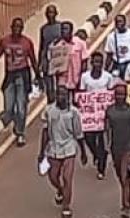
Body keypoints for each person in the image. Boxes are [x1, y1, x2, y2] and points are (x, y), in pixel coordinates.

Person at [0, 17, 37, 146]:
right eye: (15, 27)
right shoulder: (4, 42)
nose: (17, 29)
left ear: (22, 28)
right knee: (8, 109)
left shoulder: (27, 43)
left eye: (19, 27)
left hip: (22, 76)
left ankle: (20, 132)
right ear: (11, 27)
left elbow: (33, 60)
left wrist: (38, 76)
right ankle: (16, 124)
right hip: (10, 77)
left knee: (21, 108)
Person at [40, 88, 86, 218]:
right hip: (53, 147)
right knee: (53, 176)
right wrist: (41, 152)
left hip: (69, 148)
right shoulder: (49, 111)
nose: (61, 97)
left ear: (68, 96)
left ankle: (66, 206)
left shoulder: (74, 113)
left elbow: (78, 133)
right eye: (59, 94)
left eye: (64, 95)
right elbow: (45, 132)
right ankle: (60, 190)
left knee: (67, 178)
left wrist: (83, 152)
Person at [105, 83, 130, 216]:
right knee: (121, 177)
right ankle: (127, 194)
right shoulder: (109, 111)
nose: (120, 97)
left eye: (122, 94)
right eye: (117, 94)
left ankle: (125, 206)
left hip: (129, 148)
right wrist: (106, 146)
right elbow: (107, 130)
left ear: (126, 95)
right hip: (116, 148)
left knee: (124, 176)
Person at [105, 13, 130, 78]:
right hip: (118, 65)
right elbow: (109, 54)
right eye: (117, 22)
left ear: (125, 22)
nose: (118, 23)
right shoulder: (111, 37)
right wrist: (106, 69)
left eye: (120, 21)